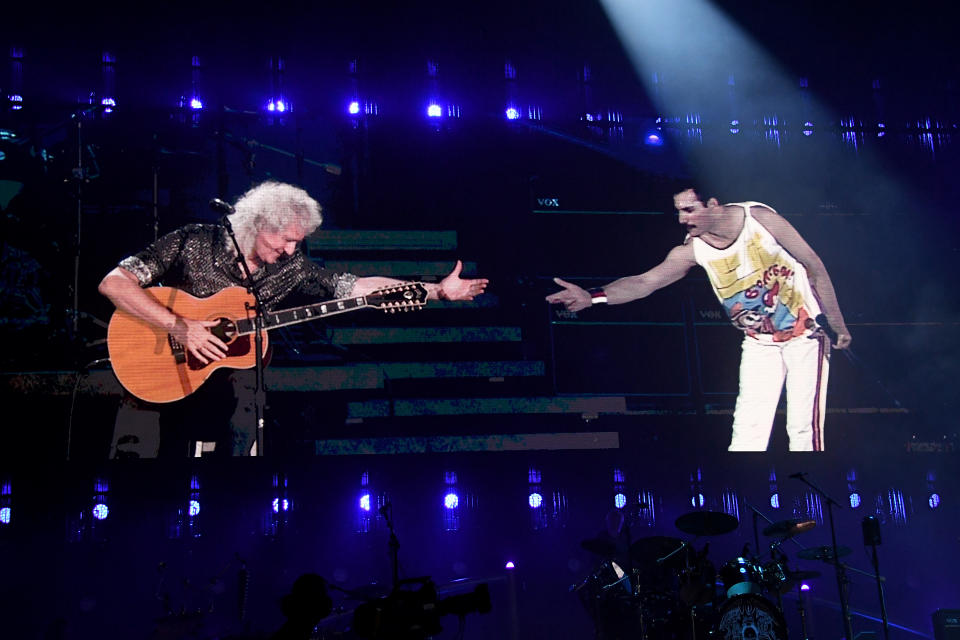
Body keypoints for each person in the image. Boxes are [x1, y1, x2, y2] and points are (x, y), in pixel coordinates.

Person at [99, 180, 488, 457]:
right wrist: (182, 328)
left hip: (219, 387)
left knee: (246, 396)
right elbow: (115, 283)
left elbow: (352, 287)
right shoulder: (194, 240)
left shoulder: (291, 268)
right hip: (154, 365)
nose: (289, 251)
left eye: (296, 243)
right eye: (283, 240)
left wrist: (434, 290)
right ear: (255, 225)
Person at [546, 188, 851, 451]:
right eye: (679, 211)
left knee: (802, 429)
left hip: (805, 332)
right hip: (760, 342)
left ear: (713, 205)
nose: (682, 219)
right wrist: (592, 296)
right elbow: (644, 282)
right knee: (747, 433)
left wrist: (836, 324)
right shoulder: (693, 250)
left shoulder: (760, 220)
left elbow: (814, 266)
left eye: (690, 209)